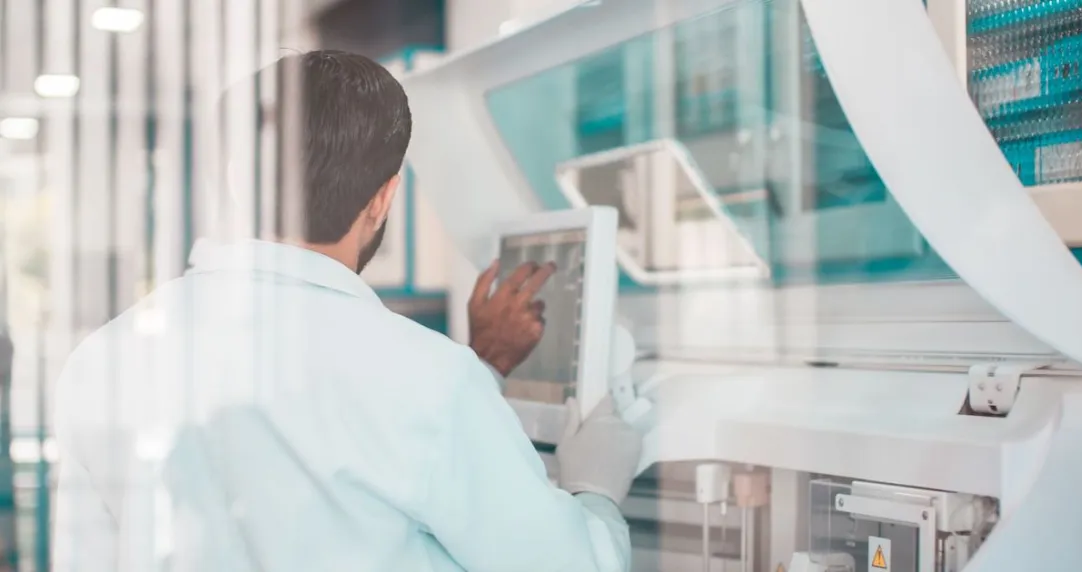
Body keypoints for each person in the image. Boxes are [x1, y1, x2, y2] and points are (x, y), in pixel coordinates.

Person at [51, 50, 642, 571]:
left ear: (235, 181)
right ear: (383, 199)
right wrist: (595, 492)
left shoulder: (101, 360)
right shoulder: (425, 380)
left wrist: (478, 372)